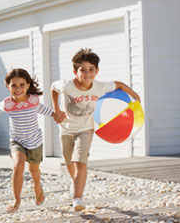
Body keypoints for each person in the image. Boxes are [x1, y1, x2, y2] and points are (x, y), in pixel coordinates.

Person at [51, 48, 141, 211]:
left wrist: (136, 96)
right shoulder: (66, 85)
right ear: (75, 71)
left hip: (86, 129)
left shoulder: (100, 86)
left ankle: (77, 198)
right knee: (69, 161)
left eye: (91, 69)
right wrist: (56, 110)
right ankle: (74, 182)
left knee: (80, 161)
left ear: (97, 71)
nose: (87, 74)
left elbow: (119, 84)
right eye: (83, 70)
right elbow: (53, 88)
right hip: (66, 129)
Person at [0, 68, 54, 212]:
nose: (18, 89)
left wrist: (55, 115)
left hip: (35, 141)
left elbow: (43, 109)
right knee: (18, 165)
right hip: (17, 140)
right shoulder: (8, 104)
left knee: (34, 170)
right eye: (13, 85)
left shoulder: (33, 100)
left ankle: (37, 186)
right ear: (8, 87)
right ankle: (16, 201)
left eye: (21, 85)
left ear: (27, 85)